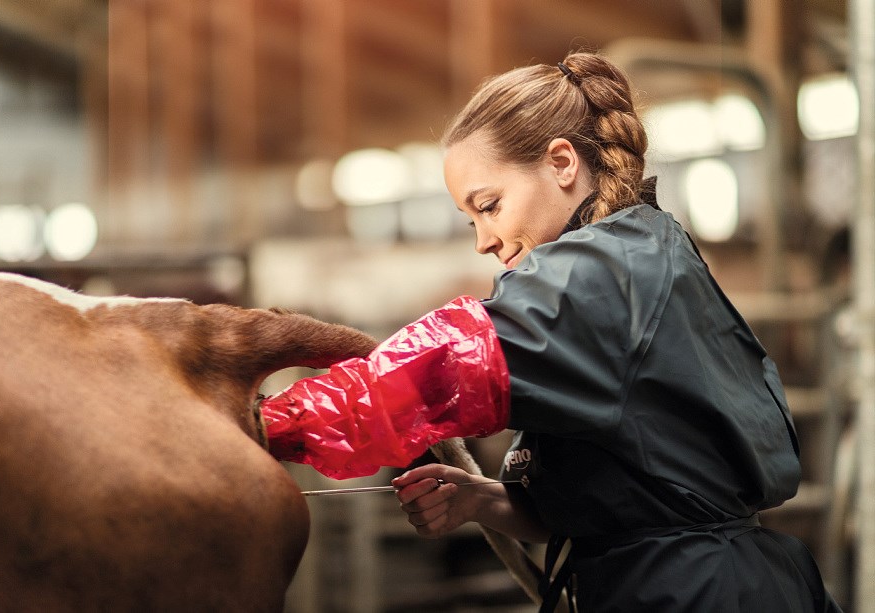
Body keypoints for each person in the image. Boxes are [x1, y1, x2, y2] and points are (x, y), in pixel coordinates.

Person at [261, 51, 841, 612]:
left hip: (693, 591)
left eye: (489, 206)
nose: (483, 240)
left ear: (562, 163)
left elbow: (430, 374)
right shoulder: (638, 250)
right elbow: (616, 500)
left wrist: (266, 425)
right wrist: (481, 498)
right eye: (471, 218)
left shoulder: (599, 274)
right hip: (705, 581)